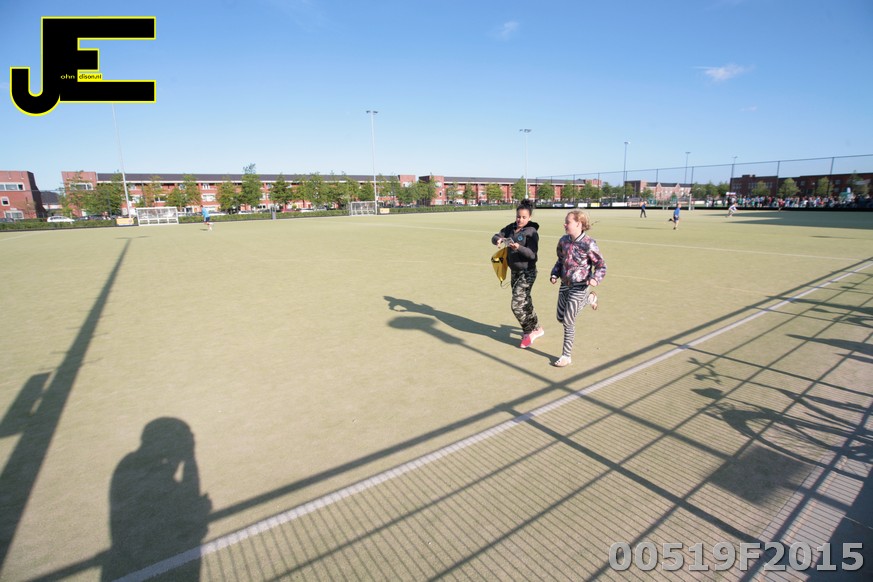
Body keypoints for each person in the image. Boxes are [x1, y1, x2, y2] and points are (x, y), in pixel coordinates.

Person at [549, 210, 606, 367]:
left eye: (568, 222)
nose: (564, 224)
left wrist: (595, 278)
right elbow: (560, 260)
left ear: (579, 224)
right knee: (560, 318)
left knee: (568, 320)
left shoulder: (588, 243)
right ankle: (590, 299)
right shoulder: (563, 241)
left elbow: (601, 265)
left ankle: (566, 356)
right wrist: (554, 274)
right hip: (564, 284)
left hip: (580, 285)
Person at [491, 199, 544, 349]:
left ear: (530, 217)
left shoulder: (531, 232)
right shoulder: (510, 228)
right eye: (518, 216)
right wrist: (498, 240)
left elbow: (532, 255)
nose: (520, 220)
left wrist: (518, 247)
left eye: (524, 217)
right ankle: (537, 328)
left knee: (516, 305)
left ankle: (528, 332)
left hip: (527, 273)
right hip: (514, 272)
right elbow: (495, 236)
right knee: (525, 301)